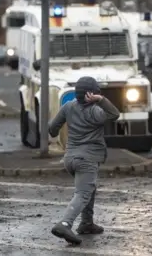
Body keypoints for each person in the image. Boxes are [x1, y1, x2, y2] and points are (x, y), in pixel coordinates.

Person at [48, 76, 120, 245]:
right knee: (83, 193)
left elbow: (52, 129)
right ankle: (65, 224)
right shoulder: (95, 111)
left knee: (88, 187)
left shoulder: (68, 106)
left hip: (70, 158)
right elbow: (114, 114)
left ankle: (87, 223)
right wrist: (101, 100)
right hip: (87, 159)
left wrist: (56, 135)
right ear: (93, 93)